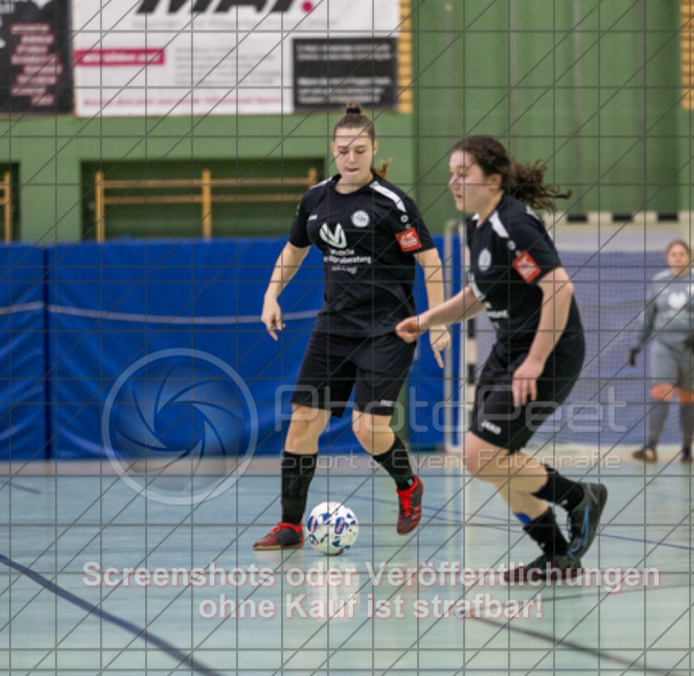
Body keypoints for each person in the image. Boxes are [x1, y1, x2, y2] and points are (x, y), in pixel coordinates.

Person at [396, 136, 607, 582]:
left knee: (481, 455)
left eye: (463, 173)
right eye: (450, 174)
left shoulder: (514, 224)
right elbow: (478, 295)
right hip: (508, 350)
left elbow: (559, 289)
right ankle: (558, 556)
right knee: (493, 460)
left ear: (493, 180)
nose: (453, 182)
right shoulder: (478, 228)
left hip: (548, 352)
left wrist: (534, 362)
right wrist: (429, 319)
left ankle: (580, 497)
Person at [253, 103, 450, 550]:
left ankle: (408, 485)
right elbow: (294, 250)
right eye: (343, 150)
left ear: (374, 149)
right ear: (333, 150)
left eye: (360, 150)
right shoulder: (315, 200)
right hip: (334, 328)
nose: (351, 158)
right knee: (302, 422)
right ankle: (290, 526)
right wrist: (271, 294)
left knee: (367, 428)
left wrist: (437, 322)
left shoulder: (393, 204)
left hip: (388, 330)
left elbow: (431, 260)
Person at [628, 240, 694, 464]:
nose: (678, 257)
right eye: (673, 254)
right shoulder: (659, 281)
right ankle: (650, 447)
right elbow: (648, 317)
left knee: (688, 396)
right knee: (661, 390)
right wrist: (636, 344)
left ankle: (687, 448)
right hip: (664, 345)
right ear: (667, 257)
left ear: (688, 255)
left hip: (692, 346)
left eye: (681, 253)